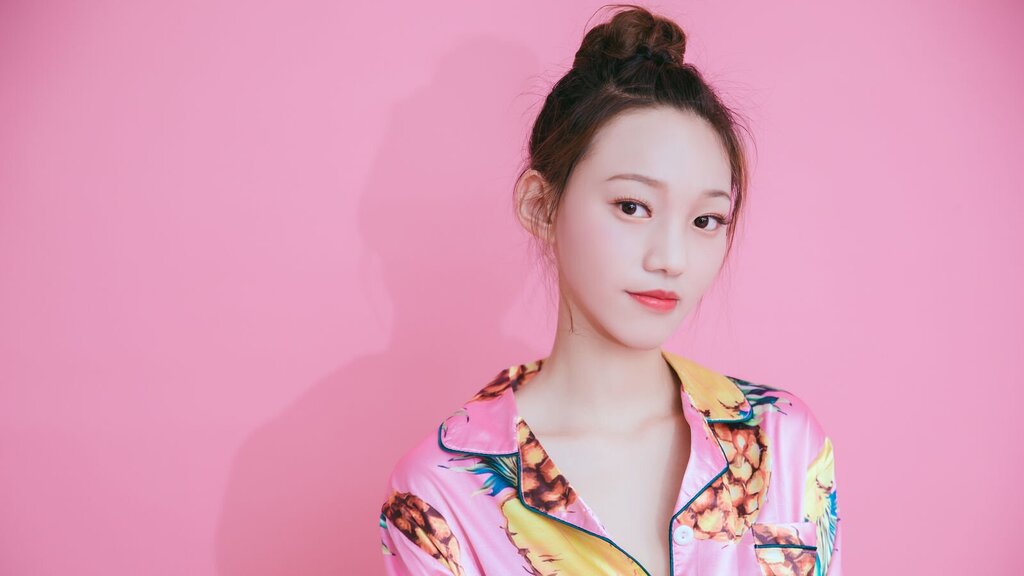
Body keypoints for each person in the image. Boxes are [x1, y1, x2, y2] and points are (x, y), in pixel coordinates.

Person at [377, 4, 841, 575]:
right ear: (541, 206)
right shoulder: (443, 494)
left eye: (705, 220)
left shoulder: (783, 442)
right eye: (632, 207)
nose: (671, 259)